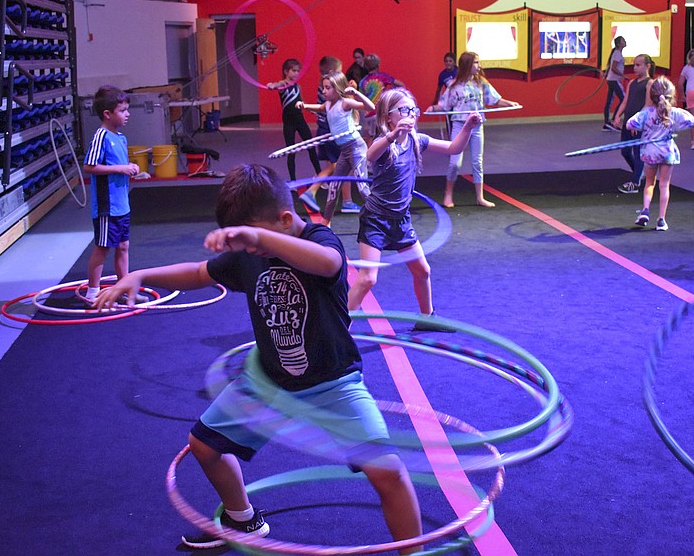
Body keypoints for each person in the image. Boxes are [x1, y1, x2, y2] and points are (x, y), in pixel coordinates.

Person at [93, 164, 423, 553]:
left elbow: (328, 263)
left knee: (389, 474)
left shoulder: (319, 239)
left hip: (333, 383)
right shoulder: (249, 253)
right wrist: (141, 276)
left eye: (254, 238)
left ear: (284, 220)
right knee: (203, 445)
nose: (250, 249)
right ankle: (243, 518)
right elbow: (199, 273)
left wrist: (260, 238)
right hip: (268, 380)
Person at [348, 88, 481, 329]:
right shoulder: (383, 142)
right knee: (368, 278)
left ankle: (427, 318)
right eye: (404, 110)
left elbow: (454, 148)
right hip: (376, 220)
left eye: (413, 110)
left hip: (401, 220)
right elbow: (370, 155)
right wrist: (392, 135)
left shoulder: (417, 140)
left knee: (423, 271)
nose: (411, 114)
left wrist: (468, 126)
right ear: (388, 117)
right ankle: (339, 327)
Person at [427, 51, 520, 208]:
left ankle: (480, 197)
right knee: (455, 163)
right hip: (460, 126)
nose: (479, 65)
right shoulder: (454, 85)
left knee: (477, 162)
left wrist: (509, 103)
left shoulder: (481, 83)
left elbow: (495, 100)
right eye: (476, 62)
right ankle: (448, 194)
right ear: (467, 65)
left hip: (477, 126)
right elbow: (444, 105)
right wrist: (433, 108)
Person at [82, 85, 140, 303]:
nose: (128, 114)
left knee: (123, 246)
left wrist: (131, 168)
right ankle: (92, 293)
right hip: (108, 206)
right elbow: (89, 166)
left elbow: (119, 165)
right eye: (122, 110)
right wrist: (121, 169)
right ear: (107, 114)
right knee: (103, 247)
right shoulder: (101, 137)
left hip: (122, 204)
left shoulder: (120, 138)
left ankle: (123, 289)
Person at [299, 71, 374, 222]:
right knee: (333, 187)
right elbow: (320, 108)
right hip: (344, 151)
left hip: (356, 148)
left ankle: (380, 217)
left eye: (327, 88)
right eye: (323, 88)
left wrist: (356, 93)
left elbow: (370, 107)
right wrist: (304, 106)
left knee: (362, 188)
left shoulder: (345, 103)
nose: (324, 91)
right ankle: (325, 222)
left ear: (337, 88)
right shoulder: (327, 105)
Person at [627, 76, 694, 231]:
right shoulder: (674, 113)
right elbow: (693, 122)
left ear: (651, 95)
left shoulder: (646, 113)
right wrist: (676, 123)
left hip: (650, 152)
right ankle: (661, 220)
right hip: (667, 152)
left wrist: (637, 128)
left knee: (649, 183)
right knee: (664, 185)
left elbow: (629, 123)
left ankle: (645, 210)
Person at [297, 55, 347, 219]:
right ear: (332, 73)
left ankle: (331, 194)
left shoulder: (323, 88)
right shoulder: (332, 91)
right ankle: (313, 189)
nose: (342, 74)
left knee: (336, 165)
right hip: (331, 132)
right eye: (339, 72)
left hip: (324, 130)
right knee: (341, 164)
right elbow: (343, 103)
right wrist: (352, 90)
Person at [266, 58, 322, 181]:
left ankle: (320, 176)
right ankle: (293, 181)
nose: (297, 73)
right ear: (286, 71)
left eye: (298, 71)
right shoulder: (283, 85)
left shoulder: (297, 86)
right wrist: (272, 85)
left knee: (311, 146)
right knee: (291, 151)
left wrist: (310, 109)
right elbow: (276, 85)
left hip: (300, 120)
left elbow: (301, 102)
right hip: (288, 122)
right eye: (294, 70)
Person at [614, 54, 655, 194]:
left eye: (638, 65)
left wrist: (636, 122)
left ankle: (635, 182)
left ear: (647, 66)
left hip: (639, 125)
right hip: (628, 123)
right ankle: (638, 173)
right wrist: (617, 115)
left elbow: (648, 105)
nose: (635, 68)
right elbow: (625, 102)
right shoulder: (632, 83)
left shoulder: (650, 83)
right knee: (625, 151)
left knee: (638, 153)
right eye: (634, 65)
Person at [359, 54, 405, 139]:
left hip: (368, 114)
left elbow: (360, 98)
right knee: (384, 135)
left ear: (365, 66)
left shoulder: (362, 81)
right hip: (380, 112)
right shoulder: (383, 77)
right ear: (378, 65)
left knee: (371, 136)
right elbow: (400, 84)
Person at [602, 36, 627, 131]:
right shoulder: (617, 53)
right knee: (624, 100)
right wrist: (623, 75)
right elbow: (613, 67)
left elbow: (611, 66)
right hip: (614, 80)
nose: (625, 42)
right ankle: (613, 121)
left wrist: (606, 74)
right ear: (619, 44)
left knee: (609, 101)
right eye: (623, 41)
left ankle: (607, 123)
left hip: (612, 80)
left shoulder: (616, 53)